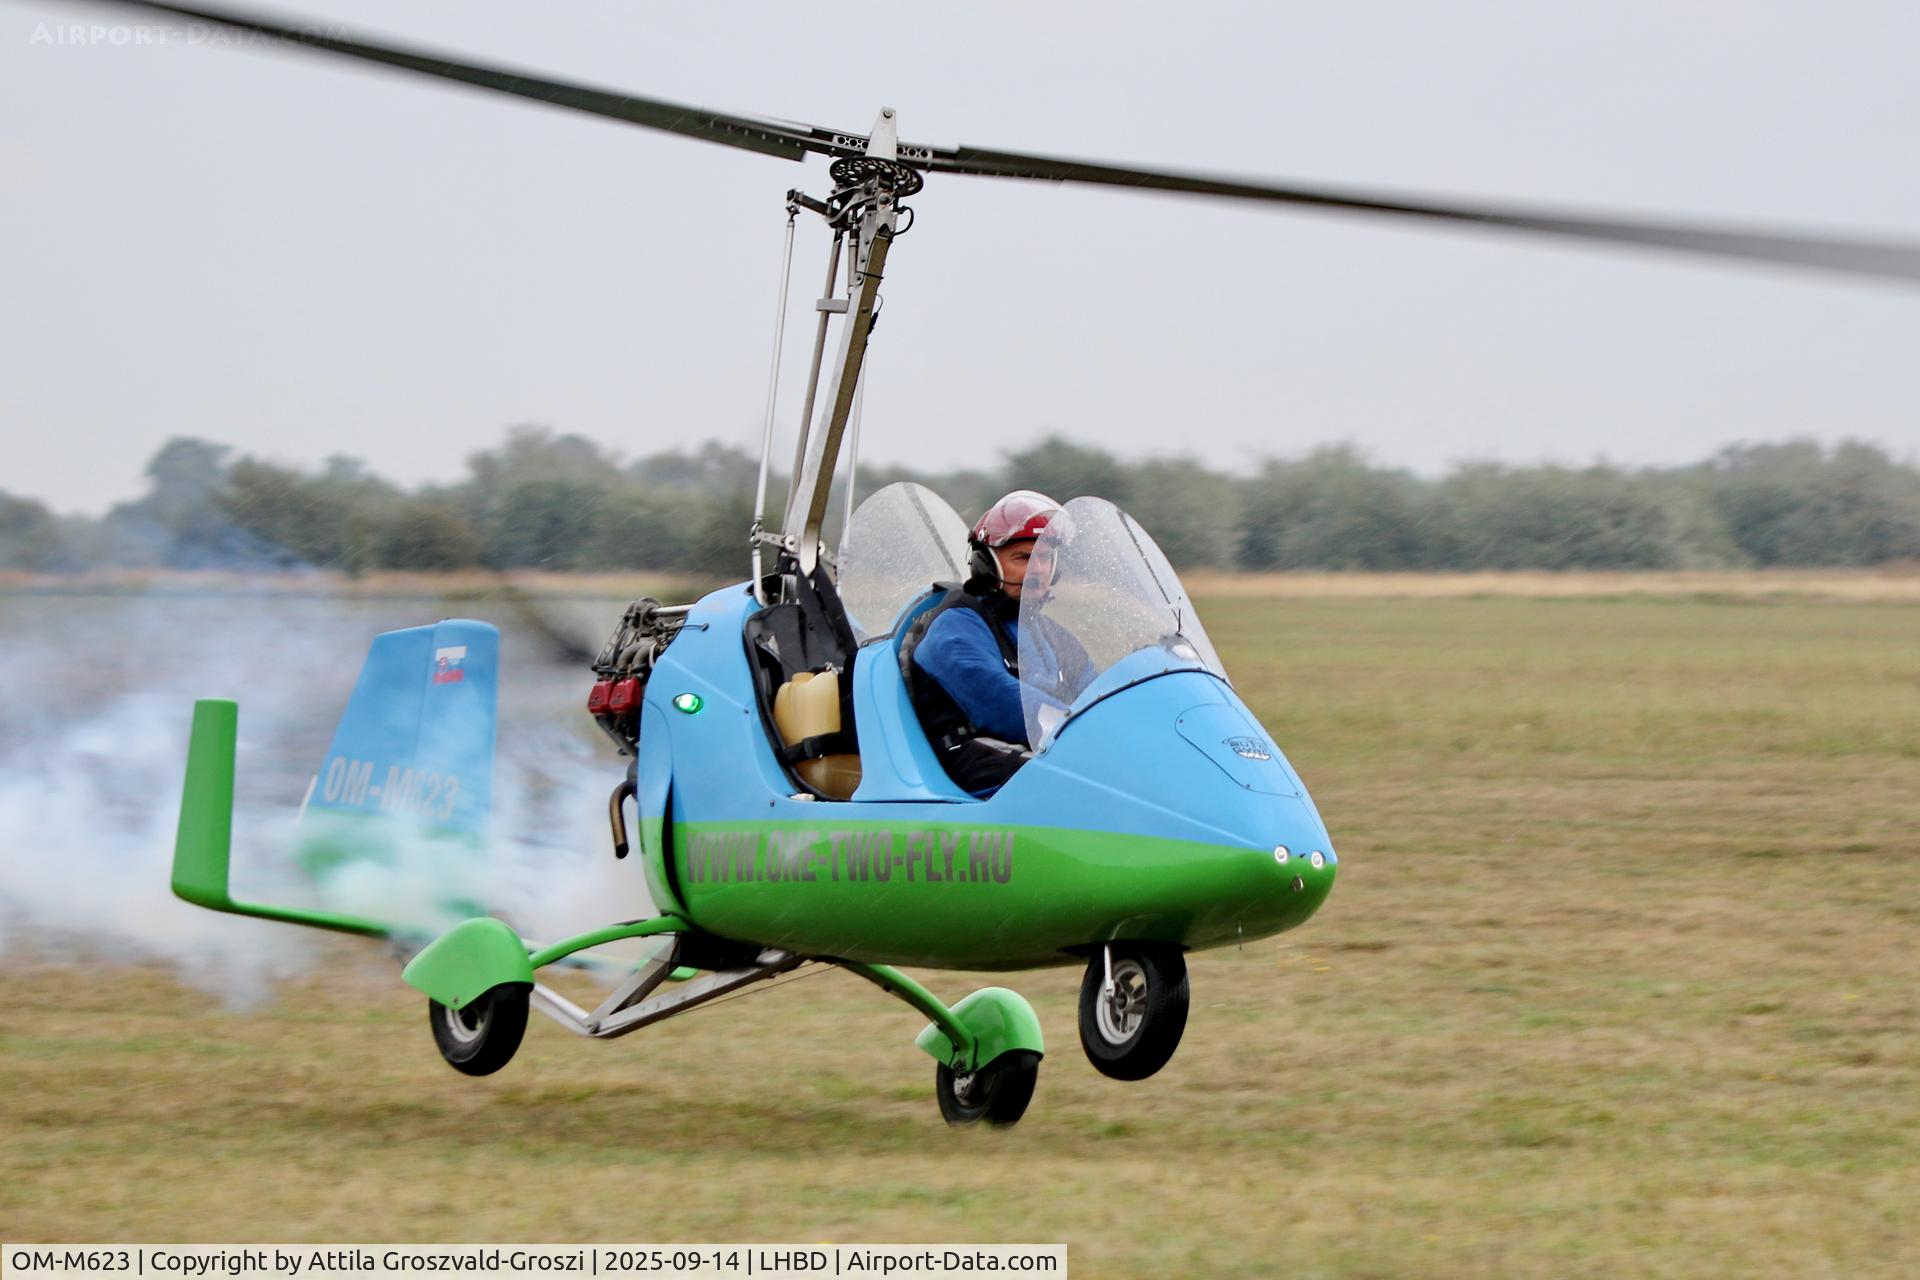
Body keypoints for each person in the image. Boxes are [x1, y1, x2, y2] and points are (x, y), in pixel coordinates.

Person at [907, 490, 1068, 796]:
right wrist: (1078, 732)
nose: (1039, 569)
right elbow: (997, 700)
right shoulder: (956, 626)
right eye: (1024, 558)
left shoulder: (1048, 632)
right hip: (969, 771)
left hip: (1029, 756)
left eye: (1045, 558)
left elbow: (1098, 692)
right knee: (1078, 785)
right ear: (987, 564)